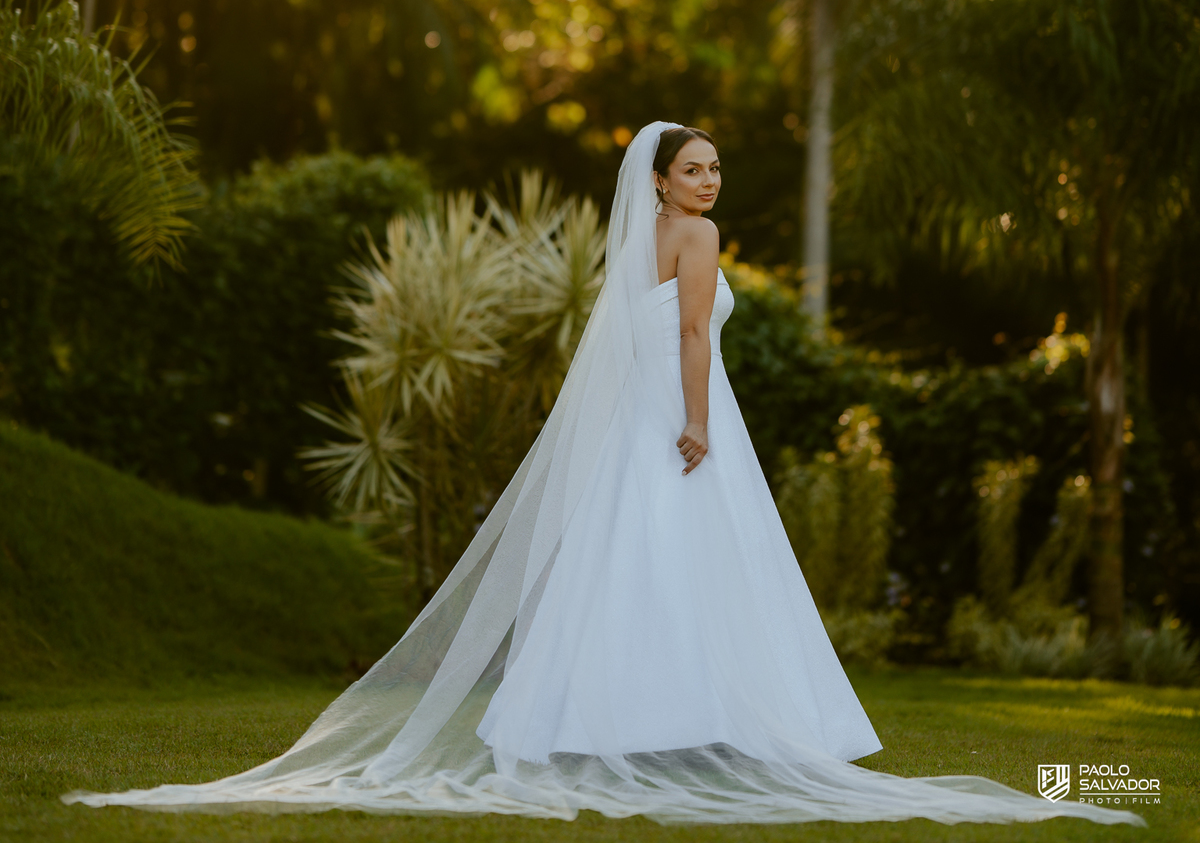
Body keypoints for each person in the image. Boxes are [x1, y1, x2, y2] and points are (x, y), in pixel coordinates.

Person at [65, 123, 1139, 826]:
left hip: (641, 423)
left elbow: (634, 333)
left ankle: (598, 725)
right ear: (664, 180)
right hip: (680, 421)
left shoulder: (641, 239)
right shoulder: (699, 240)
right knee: (689, 571)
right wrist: (699, 425)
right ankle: (699, 724)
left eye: (714, 169)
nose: (709, 182)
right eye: (694, 170)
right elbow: (687, 340)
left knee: (626, 573)